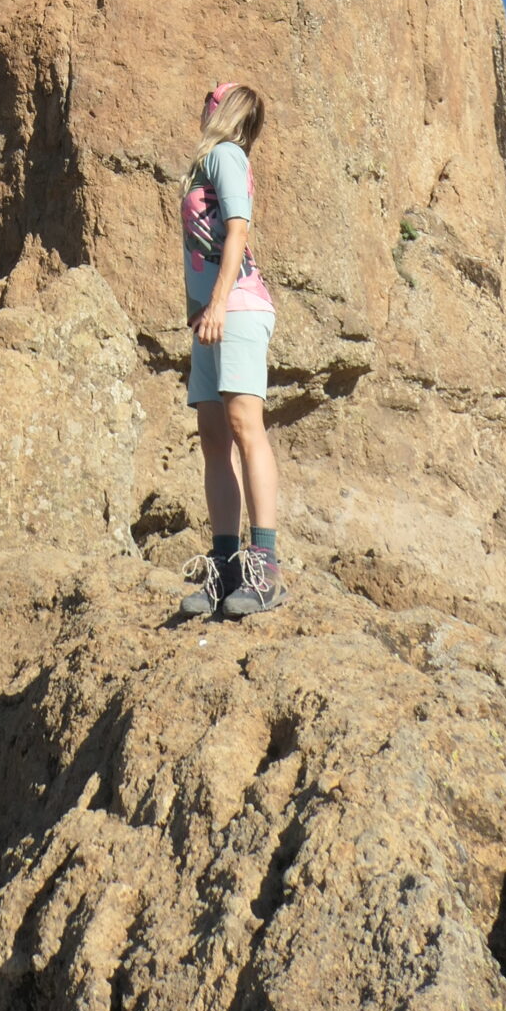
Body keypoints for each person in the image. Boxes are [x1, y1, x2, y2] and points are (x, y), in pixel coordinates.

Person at [177, 80, 285, 619]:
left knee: (245, 425)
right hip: (211, 317)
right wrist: (200, 312)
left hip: (237, 307)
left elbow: (237, 231)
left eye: (207, 98)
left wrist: (218, 303)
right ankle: (225, 566)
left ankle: (264, 567)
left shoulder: (227, 154)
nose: (200, 105)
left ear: (220, 110)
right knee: (213, 438)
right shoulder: (207, 165)